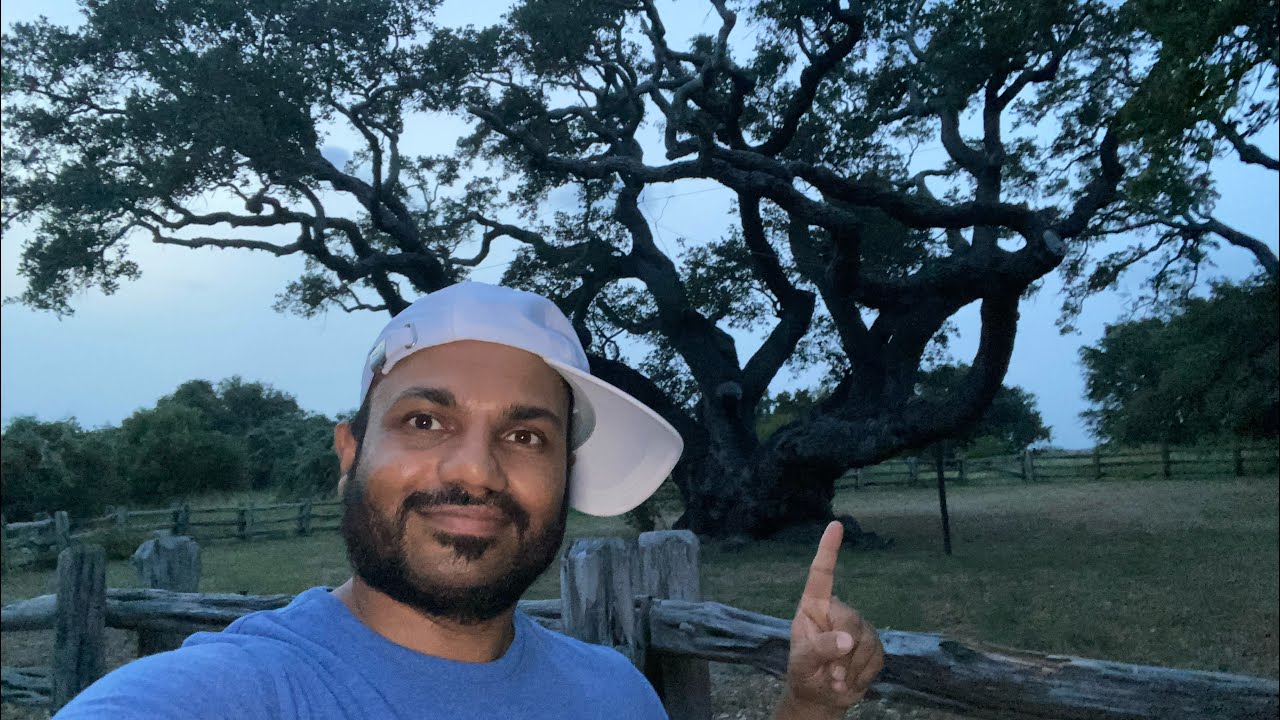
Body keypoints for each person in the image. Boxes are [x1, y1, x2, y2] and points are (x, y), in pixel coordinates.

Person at [56, 282, 884, 719]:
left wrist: (806, 705)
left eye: (526, 436)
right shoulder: (235, 693)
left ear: (566, 476)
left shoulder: (616, 695)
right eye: (425, 420)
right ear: (350, 453)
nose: (477, 471)